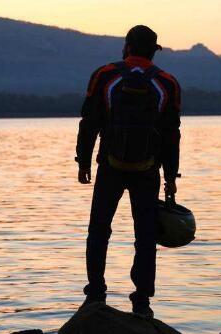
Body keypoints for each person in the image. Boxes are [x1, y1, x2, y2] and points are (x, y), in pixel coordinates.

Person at [75, 25, 182, 318]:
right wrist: (171, 176)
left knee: (99, 231)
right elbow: (172, 134)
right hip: (148, 170)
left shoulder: (104, 75)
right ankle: (142, 303)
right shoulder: (167, 82)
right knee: (145, 237)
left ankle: (95, 295)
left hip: (110, 166)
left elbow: (89, 123)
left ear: (127, 47)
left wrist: (83, 161)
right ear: (153, 50)